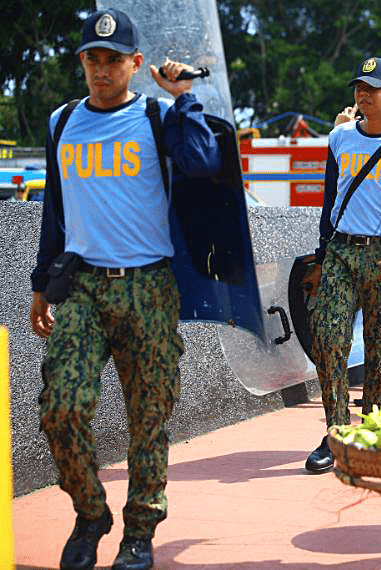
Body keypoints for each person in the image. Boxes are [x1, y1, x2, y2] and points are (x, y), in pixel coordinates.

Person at [28, 9, 222, 570]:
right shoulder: (63, 121)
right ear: (82, 62)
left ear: (136, 63)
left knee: (148, 419)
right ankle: (91, 513)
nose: (102, 69)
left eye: (113, 60)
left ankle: (139, 532)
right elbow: (55, 209)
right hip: (82, 287)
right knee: (60, 409)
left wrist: (184, 98)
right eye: (92, 58)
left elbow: (203, 162)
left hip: (148, 287)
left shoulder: (157, 116)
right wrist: (42, 285)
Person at [304, 57, 381, 473]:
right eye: (359, 87)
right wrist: (321, 256)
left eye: (372, 89)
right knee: (327, 338)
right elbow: (330, 202)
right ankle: (337, 433)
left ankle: (376, 433)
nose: (363, 95)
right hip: (341, 251)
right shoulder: (340, 138)